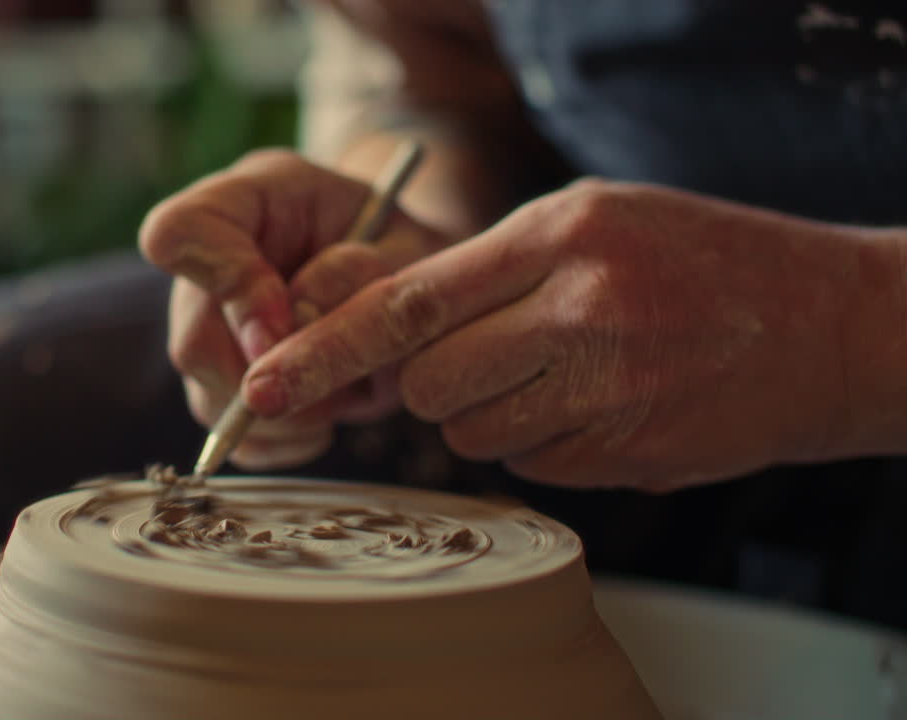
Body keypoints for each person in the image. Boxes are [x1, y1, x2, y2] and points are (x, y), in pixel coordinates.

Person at [140, 1, 907, 622]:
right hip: (625, 371)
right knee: (33, 414)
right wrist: (415, 226)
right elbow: (435, 75)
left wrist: (840, 331)